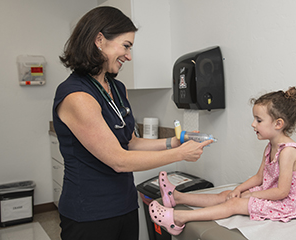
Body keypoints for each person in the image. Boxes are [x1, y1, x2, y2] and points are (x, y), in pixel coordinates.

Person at [53, 6, 212, 240]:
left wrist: (178, 141)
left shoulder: (117, 88)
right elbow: (119, 160)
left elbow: (131, 142)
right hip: (89, 213)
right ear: (99, 40)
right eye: (126, 46)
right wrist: (181, 154)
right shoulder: (77, 96)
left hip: (125, 205)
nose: (129, 55)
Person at [149, 87, 296, 235]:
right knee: (228, 195)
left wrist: (251, 195)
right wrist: (239, 190)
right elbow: (259, 177)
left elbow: (281, 192)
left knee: (234, 204)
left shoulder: (288, 152)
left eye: (259, 120)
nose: (253, 124)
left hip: (287, 204)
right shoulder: (270, 147)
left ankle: (178, 218)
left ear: (278, 124)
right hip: (273, 194)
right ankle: (176, 197)